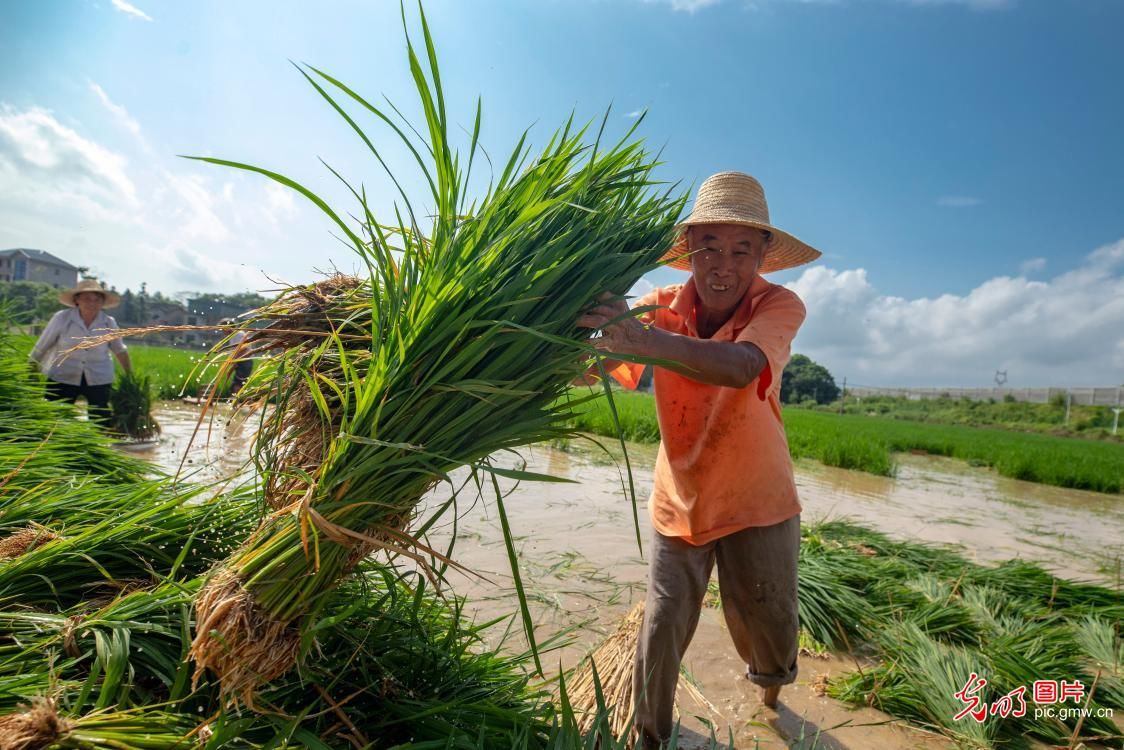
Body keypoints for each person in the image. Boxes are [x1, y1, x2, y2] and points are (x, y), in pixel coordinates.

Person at [576, 171, 822, 747]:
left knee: (768, 622)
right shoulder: (659, 309)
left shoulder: (779, 305)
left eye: (741, 249)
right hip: (679, 495)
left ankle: (770, 697)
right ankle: (650, 737)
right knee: (662, 623)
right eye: (709, 245)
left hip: (757, 498)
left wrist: (645, 342)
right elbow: (597, 367)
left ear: (763, 254)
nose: (723, 264)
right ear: (687, 252)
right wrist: (567, 340)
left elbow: (741, 367)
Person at [29, 278, 132, 425]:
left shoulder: (108, 322)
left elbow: (119, 350)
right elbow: (43, 345)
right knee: (55, 419)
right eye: (87, 298)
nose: (92, 303)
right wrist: (31, 369)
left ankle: (100, 445)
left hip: (99, 377)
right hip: (63, 375)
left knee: (100, 420)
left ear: (102, 303)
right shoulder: (62, 318)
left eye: (97, 299)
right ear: (77, 300)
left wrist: (130, 376)